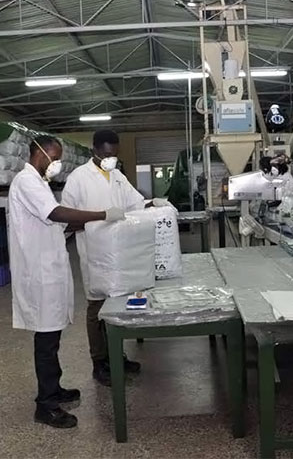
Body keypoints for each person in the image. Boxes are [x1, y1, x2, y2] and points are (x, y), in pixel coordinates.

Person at [9, 135, 125, 429]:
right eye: (55, 157)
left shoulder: (40, 183)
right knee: (46, 341)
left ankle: (55, 388)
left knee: (53, 335)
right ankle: (45, 405)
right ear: (39, 154)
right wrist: (102, 214)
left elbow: (59, 222)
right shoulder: (26, 182)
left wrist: (94, 221)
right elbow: (56, 213)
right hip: (38, 272)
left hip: (50, 269)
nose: (57, 163)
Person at [62, 130, 173, 386]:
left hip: (121, 254)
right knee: (97, 307)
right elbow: (66, 220)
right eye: (106, 154)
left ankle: (116, 356)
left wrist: (154, 204)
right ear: (94, 150)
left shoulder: (118, 175)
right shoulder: (78, 178)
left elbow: (135, 204)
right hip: (95, 253)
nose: (110, 158)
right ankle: (99, 362)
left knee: (118, 305)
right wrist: (100, 218)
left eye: (114, 154)